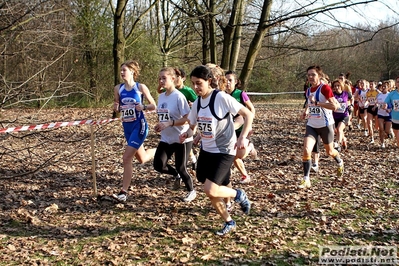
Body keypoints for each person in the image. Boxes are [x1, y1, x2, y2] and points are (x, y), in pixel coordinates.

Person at [180, 65, 253, 236]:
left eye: (199, 83)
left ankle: (239, 194)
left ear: (209, 81)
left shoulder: (220, 97)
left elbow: (248, 114)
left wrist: (242, 137)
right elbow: (192, 127)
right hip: (207, 150)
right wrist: (188, 134)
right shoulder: (197, 103)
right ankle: (229, 221)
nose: (196, 88)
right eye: (193, 84)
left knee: (210, 189)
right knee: (209, 185)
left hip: (224, 150)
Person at [112, 60, 157, 202]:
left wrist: (142, 107)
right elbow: (118, 107)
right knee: (142, 158)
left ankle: (123, 192)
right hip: (127, 126)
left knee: (126, 158)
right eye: (121, 70)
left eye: (124, 70)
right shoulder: (118, 88)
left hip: (139, 125)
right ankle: (160, 149)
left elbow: (153, 105)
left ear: (132, 71)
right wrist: (116, 108)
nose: (122, 72)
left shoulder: (140, 87)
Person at [153, 67, 197, 202]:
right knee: (158, 165)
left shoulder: (179, 96)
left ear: (173, 79)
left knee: (181, 167)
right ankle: (175, 174)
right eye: (160, 78)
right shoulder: (161, 97)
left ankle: (191, 190)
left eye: (164, 78)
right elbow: (163, 116)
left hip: (181, 137)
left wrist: (170, 123)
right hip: (166, 138)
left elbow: (188, 118)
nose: (161, 81)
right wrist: (160, 124)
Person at [299, 65, 344, 189]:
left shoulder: (325, 88)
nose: (310, 77)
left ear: (319, 76)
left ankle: (339, 161)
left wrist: (318, 103)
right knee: (306, 150)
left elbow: (335, 106)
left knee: (330, 152)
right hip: (312, 125)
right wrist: (306, 111)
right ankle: (306, 179)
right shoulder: (308, 90)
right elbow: (309, 104)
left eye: (313, 74)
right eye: (308, 75)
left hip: (325, 125)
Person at [225, 70, 257, 184]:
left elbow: (251, 109)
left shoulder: (240, 94)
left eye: (230, 80)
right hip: (229, 129)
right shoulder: (222, 95)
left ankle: (250, 147)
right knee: (234, 155)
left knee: (240, 155)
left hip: (242, 128)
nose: (228, 83)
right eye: (226, 80)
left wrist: (250, 126)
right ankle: (245, 176)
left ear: (236, 81)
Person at [332, 79, 351, 150]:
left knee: (339, 129)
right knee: (337, 131)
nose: (336, 87)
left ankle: (338, 145)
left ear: (341, 86)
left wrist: (350, 105)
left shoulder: (346, 93)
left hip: (344, 116)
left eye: (338, 85)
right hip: (335, 116)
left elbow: (352, 98)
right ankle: (344, 139)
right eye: (335, 86)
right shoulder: (332, 95)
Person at [384, 76, 399, 148]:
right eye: (398, 82)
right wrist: (385, 105)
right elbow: (386, 102)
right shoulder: (392, 94)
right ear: (396, 84)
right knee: (398, 138)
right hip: (395, 119)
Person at [376, 81, 392, 148]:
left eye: (385, 86)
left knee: (387, 131)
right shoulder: (379, 95)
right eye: (382, 86)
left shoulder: (390, 95)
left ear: (388, 88)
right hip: (380, 114)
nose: (383, 88)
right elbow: (376, 103)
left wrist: (389, 109)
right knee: (381, 129)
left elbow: (394, 105)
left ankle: (389, 133)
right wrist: (376, 106)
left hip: (388, 115)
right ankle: (382, 143)